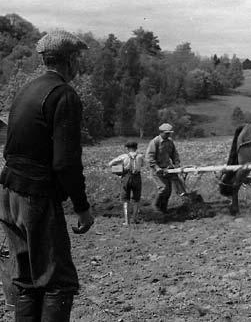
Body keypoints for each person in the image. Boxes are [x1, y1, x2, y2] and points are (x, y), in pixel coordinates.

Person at [0, 30, 94, 321]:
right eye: (78, 58)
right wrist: (82, 207)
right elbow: (65, 162)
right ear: (71, 60)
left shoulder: (26, 90)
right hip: (35, 196)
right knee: (58, 282)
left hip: (7, 194)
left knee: (28, 280)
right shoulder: (63, 94)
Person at [146, 123, 186, 213]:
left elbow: (174, 154)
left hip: (168, 169)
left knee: (169, 190)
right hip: (157, 170)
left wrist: (177, 164)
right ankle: (156, 206)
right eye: (167, 133)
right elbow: (149, 157)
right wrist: (156, 167)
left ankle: (163, 209)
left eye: (169, 133)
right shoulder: (155, 142)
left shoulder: (170, 141)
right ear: (161, 132)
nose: (168, 135)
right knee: (163, 188)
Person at [108, 141, 144, 225]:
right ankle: (134, 219)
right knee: (136, 199)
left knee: (125, 198)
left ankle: (127, 221)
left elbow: (110, 164)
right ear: (136, 148)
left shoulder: (123, 156)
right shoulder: (140, 156)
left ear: (127, 148)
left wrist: (118, 168)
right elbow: (143, 165)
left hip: (126, 177)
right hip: (137, 177)